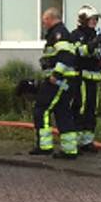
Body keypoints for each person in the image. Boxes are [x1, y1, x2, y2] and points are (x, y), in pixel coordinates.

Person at [31, 8, 80, 158]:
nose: (43, 23)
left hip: (59, 80)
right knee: (62, 112)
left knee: (42, 109)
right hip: (63, 80)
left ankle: (45, 146)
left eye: (44, 20)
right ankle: (69, 149)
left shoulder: (59, 34)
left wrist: (56, 74)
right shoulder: (59, 33)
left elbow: (66, 56)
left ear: (51, 18)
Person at [70, 4, 101, 152]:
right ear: (83, 20)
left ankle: (87, 142)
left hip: (94, 81)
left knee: (92, 110)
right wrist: (92, 44)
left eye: (96, 19)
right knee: (80, 109)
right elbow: (79, 52)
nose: (95, 22)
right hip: (80, 80)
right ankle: (76, 142)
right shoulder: (75, 35)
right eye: (92, 19)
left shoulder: (97, 36)